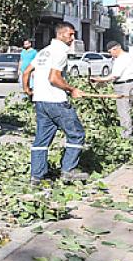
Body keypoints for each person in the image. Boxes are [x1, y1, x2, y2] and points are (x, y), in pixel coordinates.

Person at [22, 22, 89, 185]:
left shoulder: (44, 51)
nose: (73, 38)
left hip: (41, 101)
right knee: (76, 134)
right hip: (56, 101)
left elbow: (26, 72)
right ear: (60, 35)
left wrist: (28, 90)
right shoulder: (59, 52)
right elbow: (54, 78)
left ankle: (37, 177)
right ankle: (68, 170)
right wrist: (72, 89)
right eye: (70, 34)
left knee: (41, 139)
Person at [91, 40, 133, 138]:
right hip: (130, 83)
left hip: (124, 85)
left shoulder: (122, 59)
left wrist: (100, 80)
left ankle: (126, 135)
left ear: (116, 49)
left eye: (110, 52)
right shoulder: (129, 56)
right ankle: (127, 132)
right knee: (126, 109)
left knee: (124, 110)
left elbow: (114, 75)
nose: (110, 54)